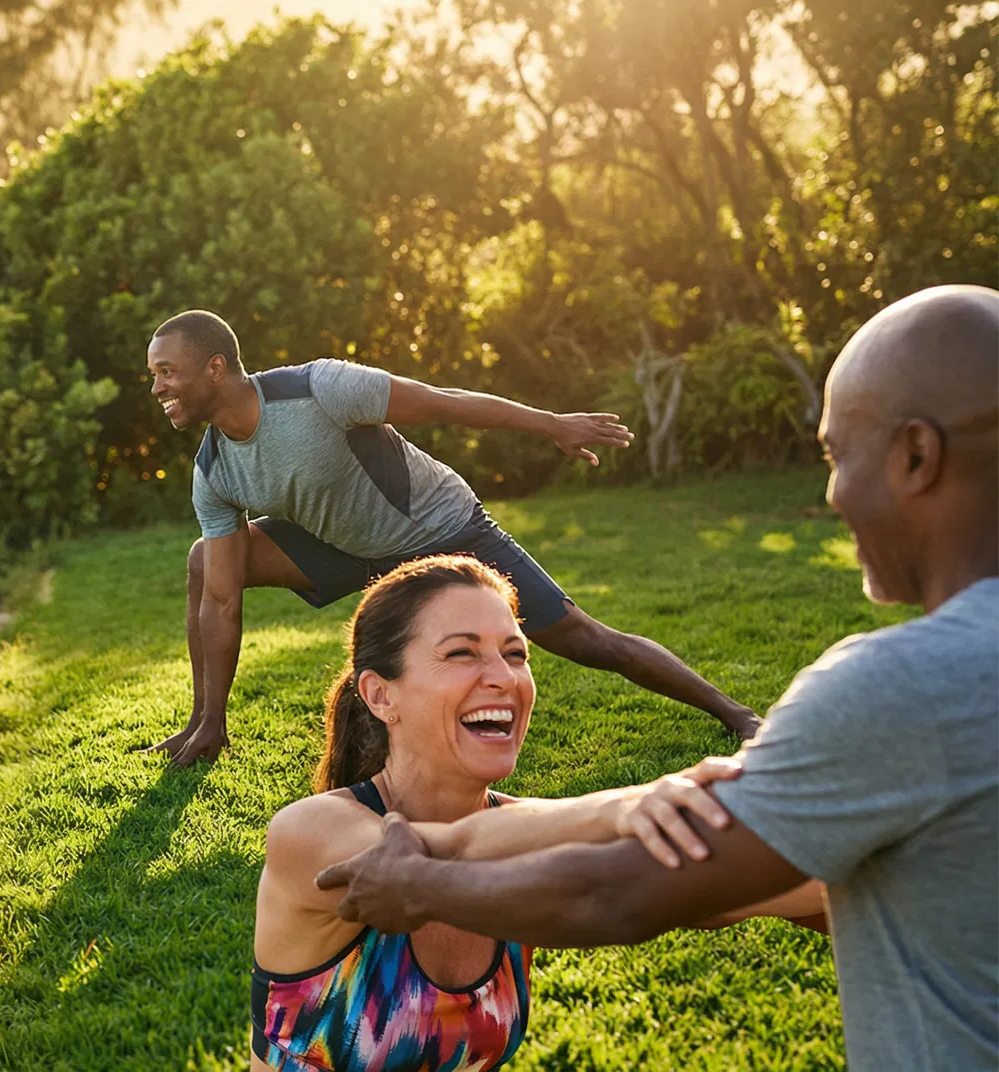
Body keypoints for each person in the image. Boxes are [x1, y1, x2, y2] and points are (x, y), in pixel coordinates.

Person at [313, 284, 999, 1071]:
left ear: (917, 455)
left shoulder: (903, 687)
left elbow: (621, 893)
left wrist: (422, 887)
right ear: (378, 692)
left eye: (838, 456)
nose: (832, 493)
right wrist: (645, 804)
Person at [255, 554, 814, 1072]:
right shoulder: (311, 833)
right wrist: (628, 804)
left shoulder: (526, 830)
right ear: (380, 696)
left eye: (515, 653)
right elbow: (433, 853)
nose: (505, 677)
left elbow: (747, 885)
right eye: (461, 652)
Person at [143, 310, 759, 768]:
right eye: (154, 375)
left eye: (167, 372)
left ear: (216, 368)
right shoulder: (213, 469)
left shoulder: (319, 390)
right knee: (208, 562)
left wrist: (553, 426)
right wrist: (213, 716)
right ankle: (207, 726)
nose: (158, 388)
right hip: (349, 548)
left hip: (440, 529)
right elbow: (221, 601)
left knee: (585, 639)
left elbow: (446, 403)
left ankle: (736, 714)